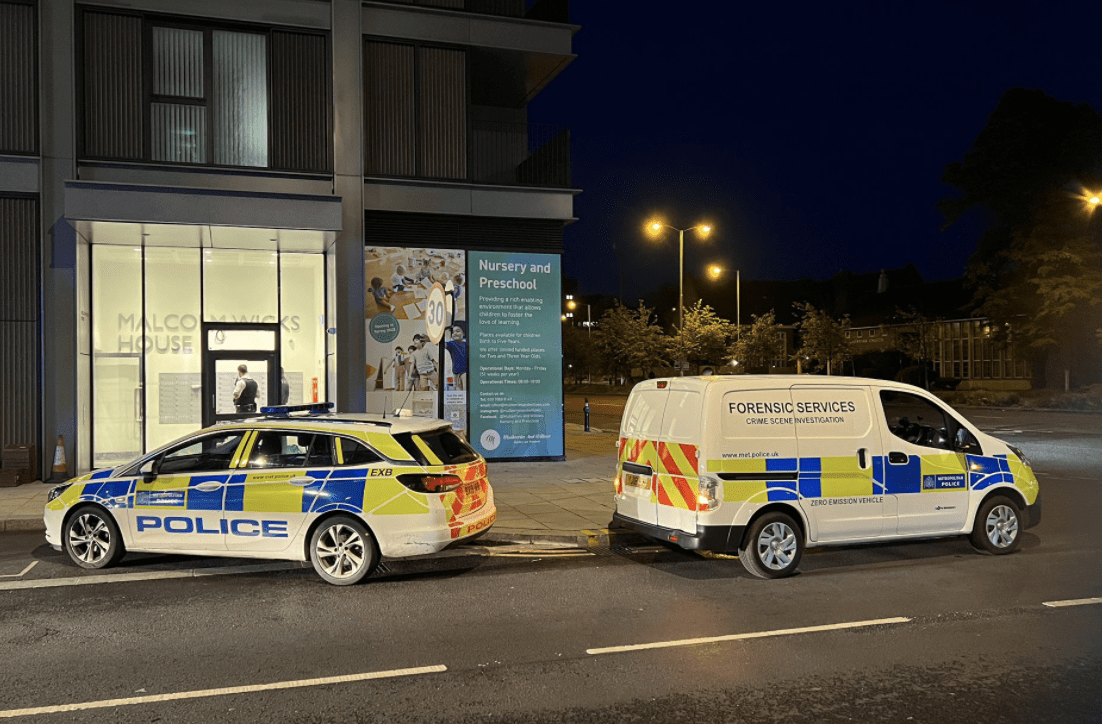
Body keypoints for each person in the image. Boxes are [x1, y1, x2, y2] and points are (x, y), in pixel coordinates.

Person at [445, 324, 468, 391]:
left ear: (463, 333)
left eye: (457, 331)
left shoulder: (467, 345)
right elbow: (442, 345)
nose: (454, 333)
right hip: (455, 373)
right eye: (453, 332)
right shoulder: (451, 344)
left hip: (465, 372)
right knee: (458, 391)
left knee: (465, 390)